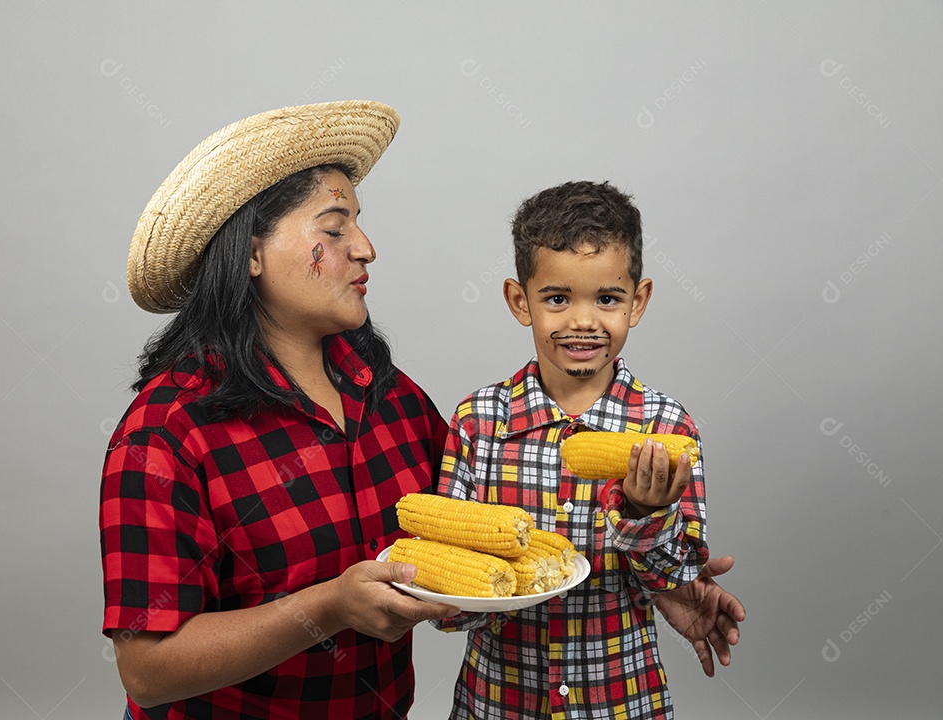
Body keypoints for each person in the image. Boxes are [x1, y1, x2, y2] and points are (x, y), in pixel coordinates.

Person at [99, 102, 741, 720]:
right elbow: (149, 672)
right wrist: (328, 607)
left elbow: (492, 513)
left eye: (359, 222)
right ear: (250, 252)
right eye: (334, 227)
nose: (366, 247)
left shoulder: (387, 395)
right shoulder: (165, 432)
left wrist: (664, 580)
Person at [435, 180, 717, 719]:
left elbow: (675, 578)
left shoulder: (665, 425)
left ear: (639, 302)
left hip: (621, 699)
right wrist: (457, 589)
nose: (583, 321)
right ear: (521, 302)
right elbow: (451, 609)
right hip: (498, 702)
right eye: (558, 298)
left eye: (607, 299)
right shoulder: (478, 422)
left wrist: (644, 513)